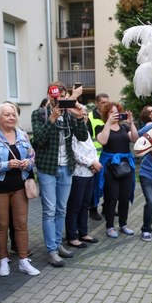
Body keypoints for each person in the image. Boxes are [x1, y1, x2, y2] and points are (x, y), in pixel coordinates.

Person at [31, 82, 87, 267]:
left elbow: (82, 137)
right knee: (49, 210)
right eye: (54, 98)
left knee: (61, 209)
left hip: (66, 167)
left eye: (61, 97)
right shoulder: (39, 114)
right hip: (48, 168)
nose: (58, 101)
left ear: (65, 96)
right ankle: (52, 250)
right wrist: (53, 118)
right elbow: (38, 140)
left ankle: (58, 244)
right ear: (49, 97)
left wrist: (79, 118)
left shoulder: (70, 114)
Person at [0, 103, 38, 276]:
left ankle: (23, 260)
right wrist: (6, 164)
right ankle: (3, 259)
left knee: (21, 225)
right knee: (1, 226)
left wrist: (28, 163)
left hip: (20, 186)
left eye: (13, 115)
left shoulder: (22, 135)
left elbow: (32, 156)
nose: (12, 117)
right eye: (7, 115)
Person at [96, 102, 138, 238]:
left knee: (124, 197)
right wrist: (108, 123)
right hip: (110, 166)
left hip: (126, 165)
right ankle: (109, 226)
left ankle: (123, 224)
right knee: (111, 197)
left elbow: (135, 139)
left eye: (117, 111)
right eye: (111, 112)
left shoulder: (125, 127)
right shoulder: (101, 127)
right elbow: (103, 141)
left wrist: (131, 123)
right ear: (106, 114)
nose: (115, 114)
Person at [65, 106, 100, 248]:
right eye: (82, 114)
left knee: (85, 204)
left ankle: (83, 233)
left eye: (86, 114)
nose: (84, 116)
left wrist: (95, 162)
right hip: (78, 173)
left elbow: (92, 150)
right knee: (75, 206)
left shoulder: (85, 130)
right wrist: (92, 162)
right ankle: (72, 236)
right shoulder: (72, 131)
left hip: (90, 172)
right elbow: (74, 153)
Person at [87, 93, 109, 221]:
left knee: (109, 184)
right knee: (96, 186)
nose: (105, 104)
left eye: (107, 102)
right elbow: (88, 140)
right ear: (97, 103)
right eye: (103, 102)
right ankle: (93, 209)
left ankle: (107, 207)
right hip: (97, 157)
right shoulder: (90, 117)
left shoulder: (109, 116)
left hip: (109, 156)